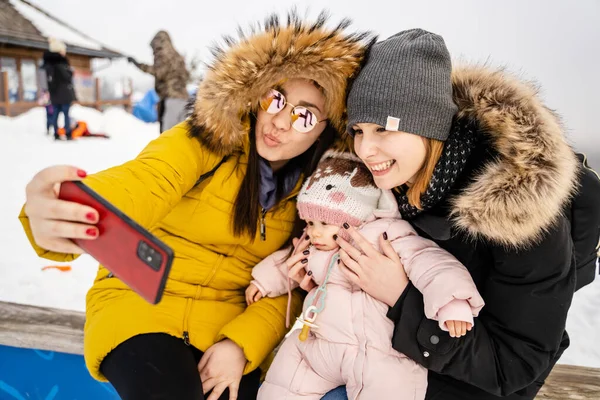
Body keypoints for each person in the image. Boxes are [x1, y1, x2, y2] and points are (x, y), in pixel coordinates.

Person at [19, 12, 374, 400]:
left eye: (304, 115)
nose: (279, 122)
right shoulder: (207, 142)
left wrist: (240, 345)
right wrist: (72, 207)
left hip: (229, 325)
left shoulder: (319, 197)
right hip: (141, 306)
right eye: (276, 97)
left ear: (327, 129)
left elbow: (293, 287)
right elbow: (149, 179)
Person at [296, 29, 597, 400]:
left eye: (384, 129)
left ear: (431, 127)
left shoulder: (519, 217)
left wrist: (400, 296)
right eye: (358, 130)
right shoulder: (395, 186)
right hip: (388, 361)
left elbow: (512, 366)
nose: (366, 149)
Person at [246, 150, 484, 399]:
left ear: (355, 217)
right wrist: (264, 281)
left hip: (376, 350)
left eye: (325, 223)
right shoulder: (315, 244)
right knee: (289, 368)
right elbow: (287, 259)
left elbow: (429, 262)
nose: (315, 233)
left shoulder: (384, 234)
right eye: (310, 223)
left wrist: (452, 302)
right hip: (322, 344)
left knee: (391, 384)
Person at [128, 30, 190, 133]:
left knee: (167, 136)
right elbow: (186, 75)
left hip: (171, 99)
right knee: (181, 135)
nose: (154, 52)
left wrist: (138, 64)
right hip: (184, 100)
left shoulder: (163, 53)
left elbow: (158, 71)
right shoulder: (177, 56)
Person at [42, 38, 76, 141]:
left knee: (55, 113)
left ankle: (56, 132)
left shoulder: (48, 65)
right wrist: (70, 71)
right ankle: (68, 132)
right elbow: (67, 77)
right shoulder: (61, 64)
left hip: (54, 94)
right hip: (64, 94)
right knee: (66, 114)